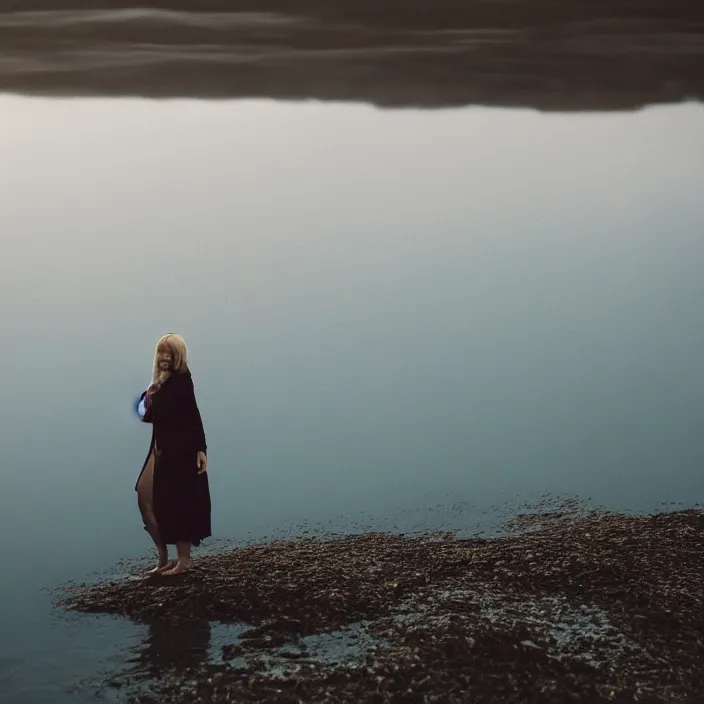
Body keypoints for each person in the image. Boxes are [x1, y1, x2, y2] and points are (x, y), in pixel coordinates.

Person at [135, 333, 211, 575]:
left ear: (177, 356)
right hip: (160, 450)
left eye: (168, 353)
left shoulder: (181, 381)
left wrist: (201, 448)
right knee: (144, 497)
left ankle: (183, 562)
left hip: (179, 453)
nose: (164, 358)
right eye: (161, 353)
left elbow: (190, 414)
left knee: (180, 503)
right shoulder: (161, 383)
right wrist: (149, 395)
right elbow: (144, 414)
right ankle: (162, 557)